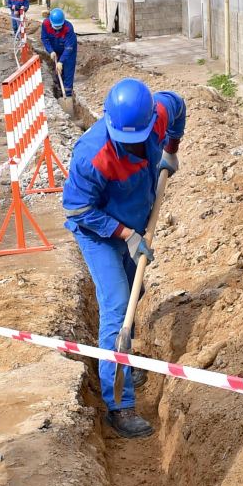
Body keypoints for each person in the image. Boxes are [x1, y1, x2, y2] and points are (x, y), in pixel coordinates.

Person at [62, 78, 185, 438]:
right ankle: (119, 403)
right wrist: (127, 235)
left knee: (135, 293)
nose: (131, 145)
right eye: (124, 140)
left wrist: (171, 149)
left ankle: (123, 364)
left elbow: (178, 105)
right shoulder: (92, 155)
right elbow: (77, 209)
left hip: (134, 221)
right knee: (117, 308)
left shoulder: (158, 112)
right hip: (99, 234)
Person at [40, 7, 77, 96]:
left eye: (59, 26)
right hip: (55, 50)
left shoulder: (68, 28)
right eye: (55, 26)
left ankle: (68, 94)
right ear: (50, 21)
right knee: (58, 71)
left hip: (68, 51)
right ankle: (59, 90)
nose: (57, 28)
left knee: (68, 70)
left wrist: (61, 61)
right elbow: (45, 39)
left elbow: (68, 47)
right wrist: (51, 51)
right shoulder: (45, 24)